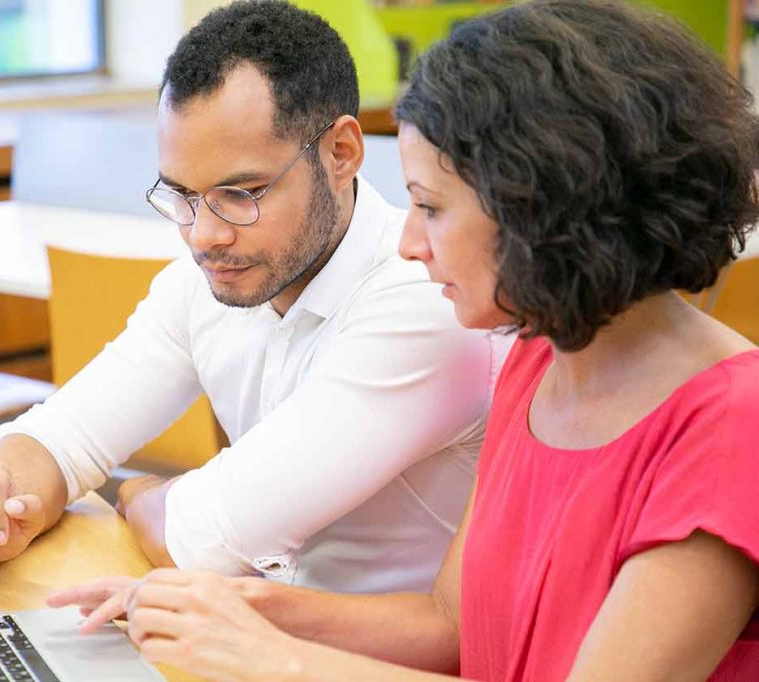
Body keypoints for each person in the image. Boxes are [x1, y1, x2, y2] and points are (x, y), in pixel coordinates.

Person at [49, 1, 759, 680]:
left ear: (550, 207)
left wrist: (272, 659)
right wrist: (227, 606)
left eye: (430, 208)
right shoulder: (540, 363)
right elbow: (451, 625)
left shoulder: (733, 424)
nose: (411, 244)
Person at [0, 1, 505, 595]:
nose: (204, 235)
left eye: (241, 193)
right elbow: (66, 436)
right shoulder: (212, 277)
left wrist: (137, 492)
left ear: (342, 153)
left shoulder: (422, 299)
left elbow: (204, 541)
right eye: (182, 195)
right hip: (248, 636)